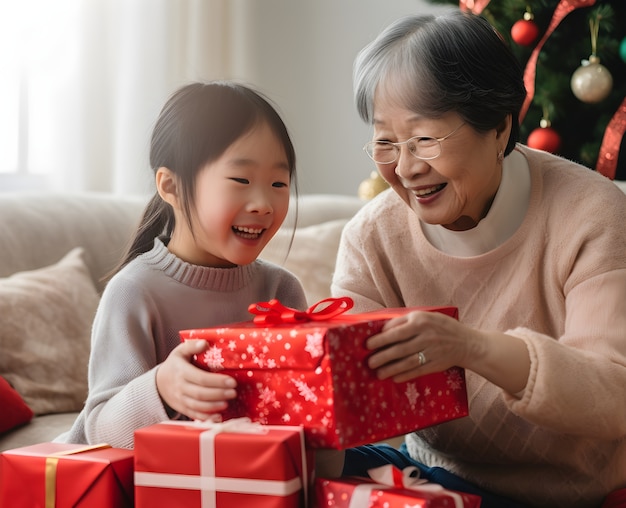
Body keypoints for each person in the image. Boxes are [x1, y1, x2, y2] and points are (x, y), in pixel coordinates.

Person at [326, 10, 626, 508]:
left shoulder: (592, 214)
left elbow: (614, 395)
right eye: (385, 142)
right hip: (434, 480)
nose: (405, 167)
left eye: (425, 139)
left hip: (573, 493)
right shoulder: (372, 236)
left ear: (500, 127)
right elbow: (349, 401)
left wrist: (471, 349)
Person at [56, 81, 307, 449]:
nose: (264, 203)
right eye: (241, 179)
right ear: (170, 186)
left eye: (278, 183)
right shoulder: (135, 291)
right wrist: (160, 388)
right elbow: (100, 431)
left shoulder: (281, 290)